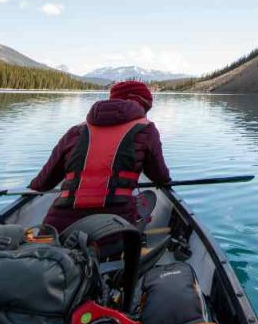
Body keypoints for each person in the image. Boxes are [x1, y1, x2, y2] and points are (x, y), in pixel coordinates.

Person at [29, 80, 172, 232]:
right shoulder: (146, 129)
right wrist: (166, 181)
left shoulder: (76, 131)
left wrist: (33, 187)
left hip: (58, 228)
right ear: (141, 105)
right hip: (116, 229)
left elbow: (42, 183)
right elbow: (160, 177)